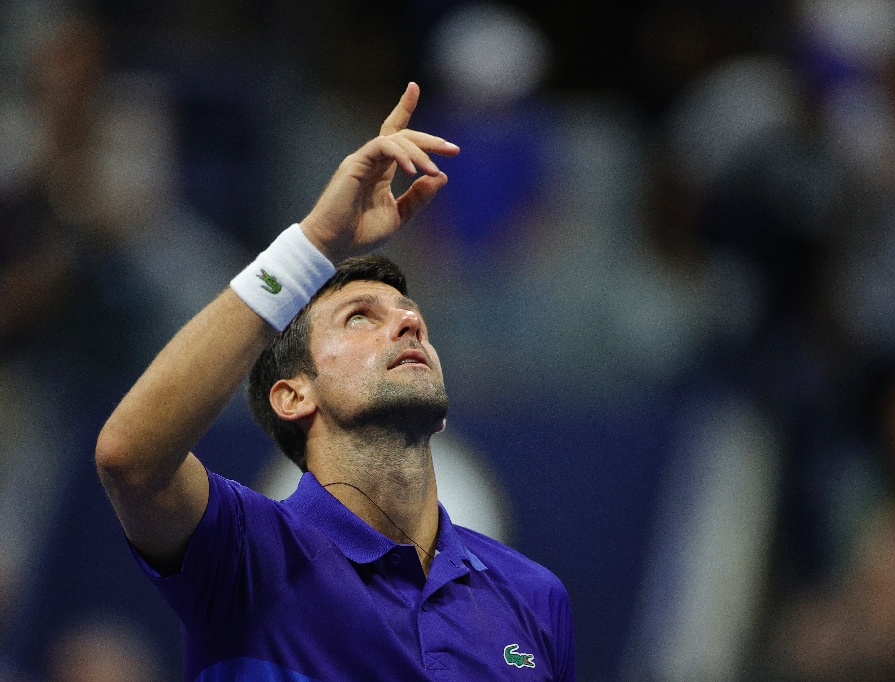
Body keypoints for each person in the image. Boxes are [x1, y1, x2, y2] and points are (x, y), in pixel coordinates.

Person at [95, 83, 576, 682]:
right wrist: (314, 244)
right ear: (293, 395)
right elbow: (131, 459)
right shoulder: (248, 553)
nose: (408, 323)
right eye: (360, 318)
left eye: (411, 315)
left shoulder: (534, 596)